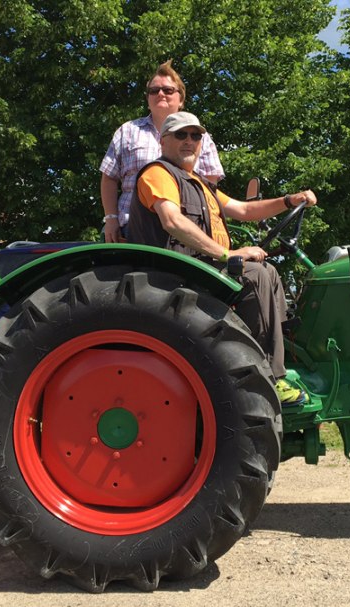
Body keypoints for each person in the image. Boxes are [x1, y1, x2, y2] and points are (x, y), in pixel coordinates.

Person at [130, 111, 317, 406]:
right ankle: (266, 377)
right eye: (181, 135)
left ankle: (283, 363)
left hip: (201, 266)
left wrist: (288, 201)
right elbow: (172, 221)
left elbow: (244, 210)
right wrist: (229, 254)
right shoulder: (158, 174)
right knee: (254, 277)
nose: (189, 141)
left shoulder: (202, 184)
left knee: (266, 271)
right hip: (175, 272)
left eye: (195, 135)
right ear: (163, 140)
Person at [99, 60, 224, 243]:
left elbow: (210, 188)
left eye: (168, 90)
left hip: (185, 234)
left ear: (181, 99)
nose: (160, 94)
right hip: (132, 231)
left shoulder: (201, 138)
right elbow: (109, 177)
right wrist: (111, 219)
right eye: (154, 90)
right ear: (148, 98)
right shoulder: (128, 131)